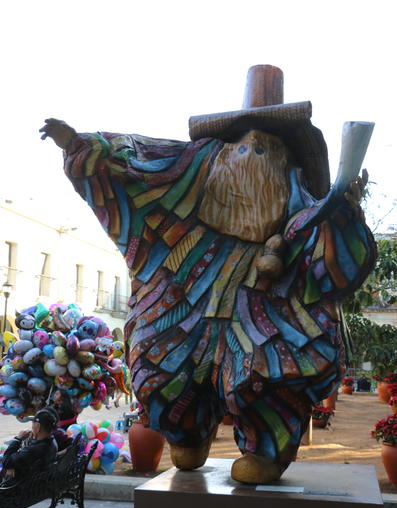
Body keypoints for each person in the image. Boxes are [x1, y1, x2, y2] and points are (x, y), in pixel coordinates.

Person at [40, 65, 376, 484]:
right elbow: (141, 166)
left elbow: (334, 261)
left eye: (265, 149)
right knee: (159, 367)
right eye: (241, 146)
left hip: (267, 309)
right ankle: (188, 437)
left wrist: (344, 213)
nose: (250, 154)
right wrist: (81, 146)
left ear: (287, 161)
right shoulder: (192, 171)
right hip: (185, 297)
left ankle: (265, 453)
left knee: (267, 373)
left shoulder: (301, 214)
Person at [0, 409, 58, 485]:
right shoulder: (52, 442)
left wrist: (18, 439)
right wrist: (32, 440)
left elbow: (6, 462)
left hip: (18, 486)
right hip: (36, 482)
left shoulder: (35, 450)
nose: (32, 427)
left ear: (38, 427)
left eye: (33, 424)